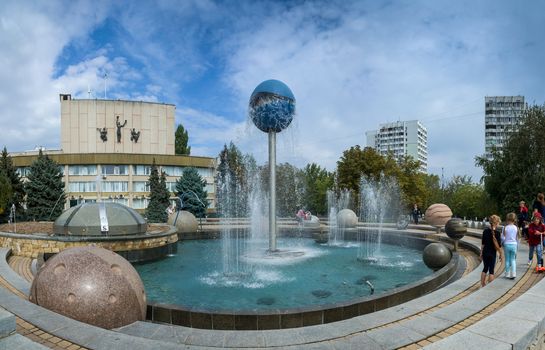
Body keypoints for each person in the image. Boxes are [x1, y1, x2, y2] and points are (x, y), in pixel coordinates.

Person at [480, 214, 502, 287]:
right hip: (492, 253)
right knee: (491, 270)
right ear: (496, 223)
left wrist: (481, 253)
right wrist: (501, 254)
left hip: (485, 252)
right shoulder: (498, 233)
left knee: (485, 268)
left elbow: (483, 244)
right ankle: (490, 286)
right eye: (498, 222)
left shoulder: (485, 231)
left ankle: (482, 284)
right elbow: (499, 246)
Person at [501, 212, 519, 279]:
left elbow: (503, 237)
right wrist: (517, 246)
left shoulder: (505, 227)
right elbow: (517, 238)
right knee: (513, 259)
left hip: (507, 245)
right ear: (514, 220)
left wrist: (502, 243)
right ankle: (514, 273)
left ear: (507, 219)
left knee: (507, 260)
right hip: (514, 244)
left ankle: (507, 273)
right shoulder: (516, 228)